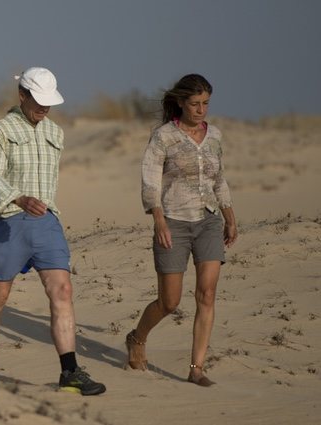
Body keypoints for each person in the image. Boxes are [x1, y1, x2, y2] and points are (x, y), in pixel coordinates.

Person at [0, 67, 106, 396]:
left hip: (46, 219)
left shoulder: (56, 133)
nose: (44, 108)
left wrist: (39, 204)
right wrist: (19, 197)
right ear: (22, 95)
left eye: (49, 102)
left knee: (62, 291)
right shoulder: (3, 128)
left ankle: (70, 372)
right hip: (6, 218)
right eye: (38, 101)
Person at [126, 73, 237, 387]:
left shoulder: (214, 135)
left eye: (206, 103)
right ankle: (137, 337)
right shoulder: (164, 137)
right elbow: (151, 182)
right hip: (173, 221)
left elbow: (219, 179)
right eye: (195, 103)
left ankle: (196, 369)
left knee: (207, 294)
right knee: (169, 302)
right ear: (180, 103)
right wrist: (158, 219)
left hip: (209, 221)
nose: (201, 110)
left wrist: (230, 215)